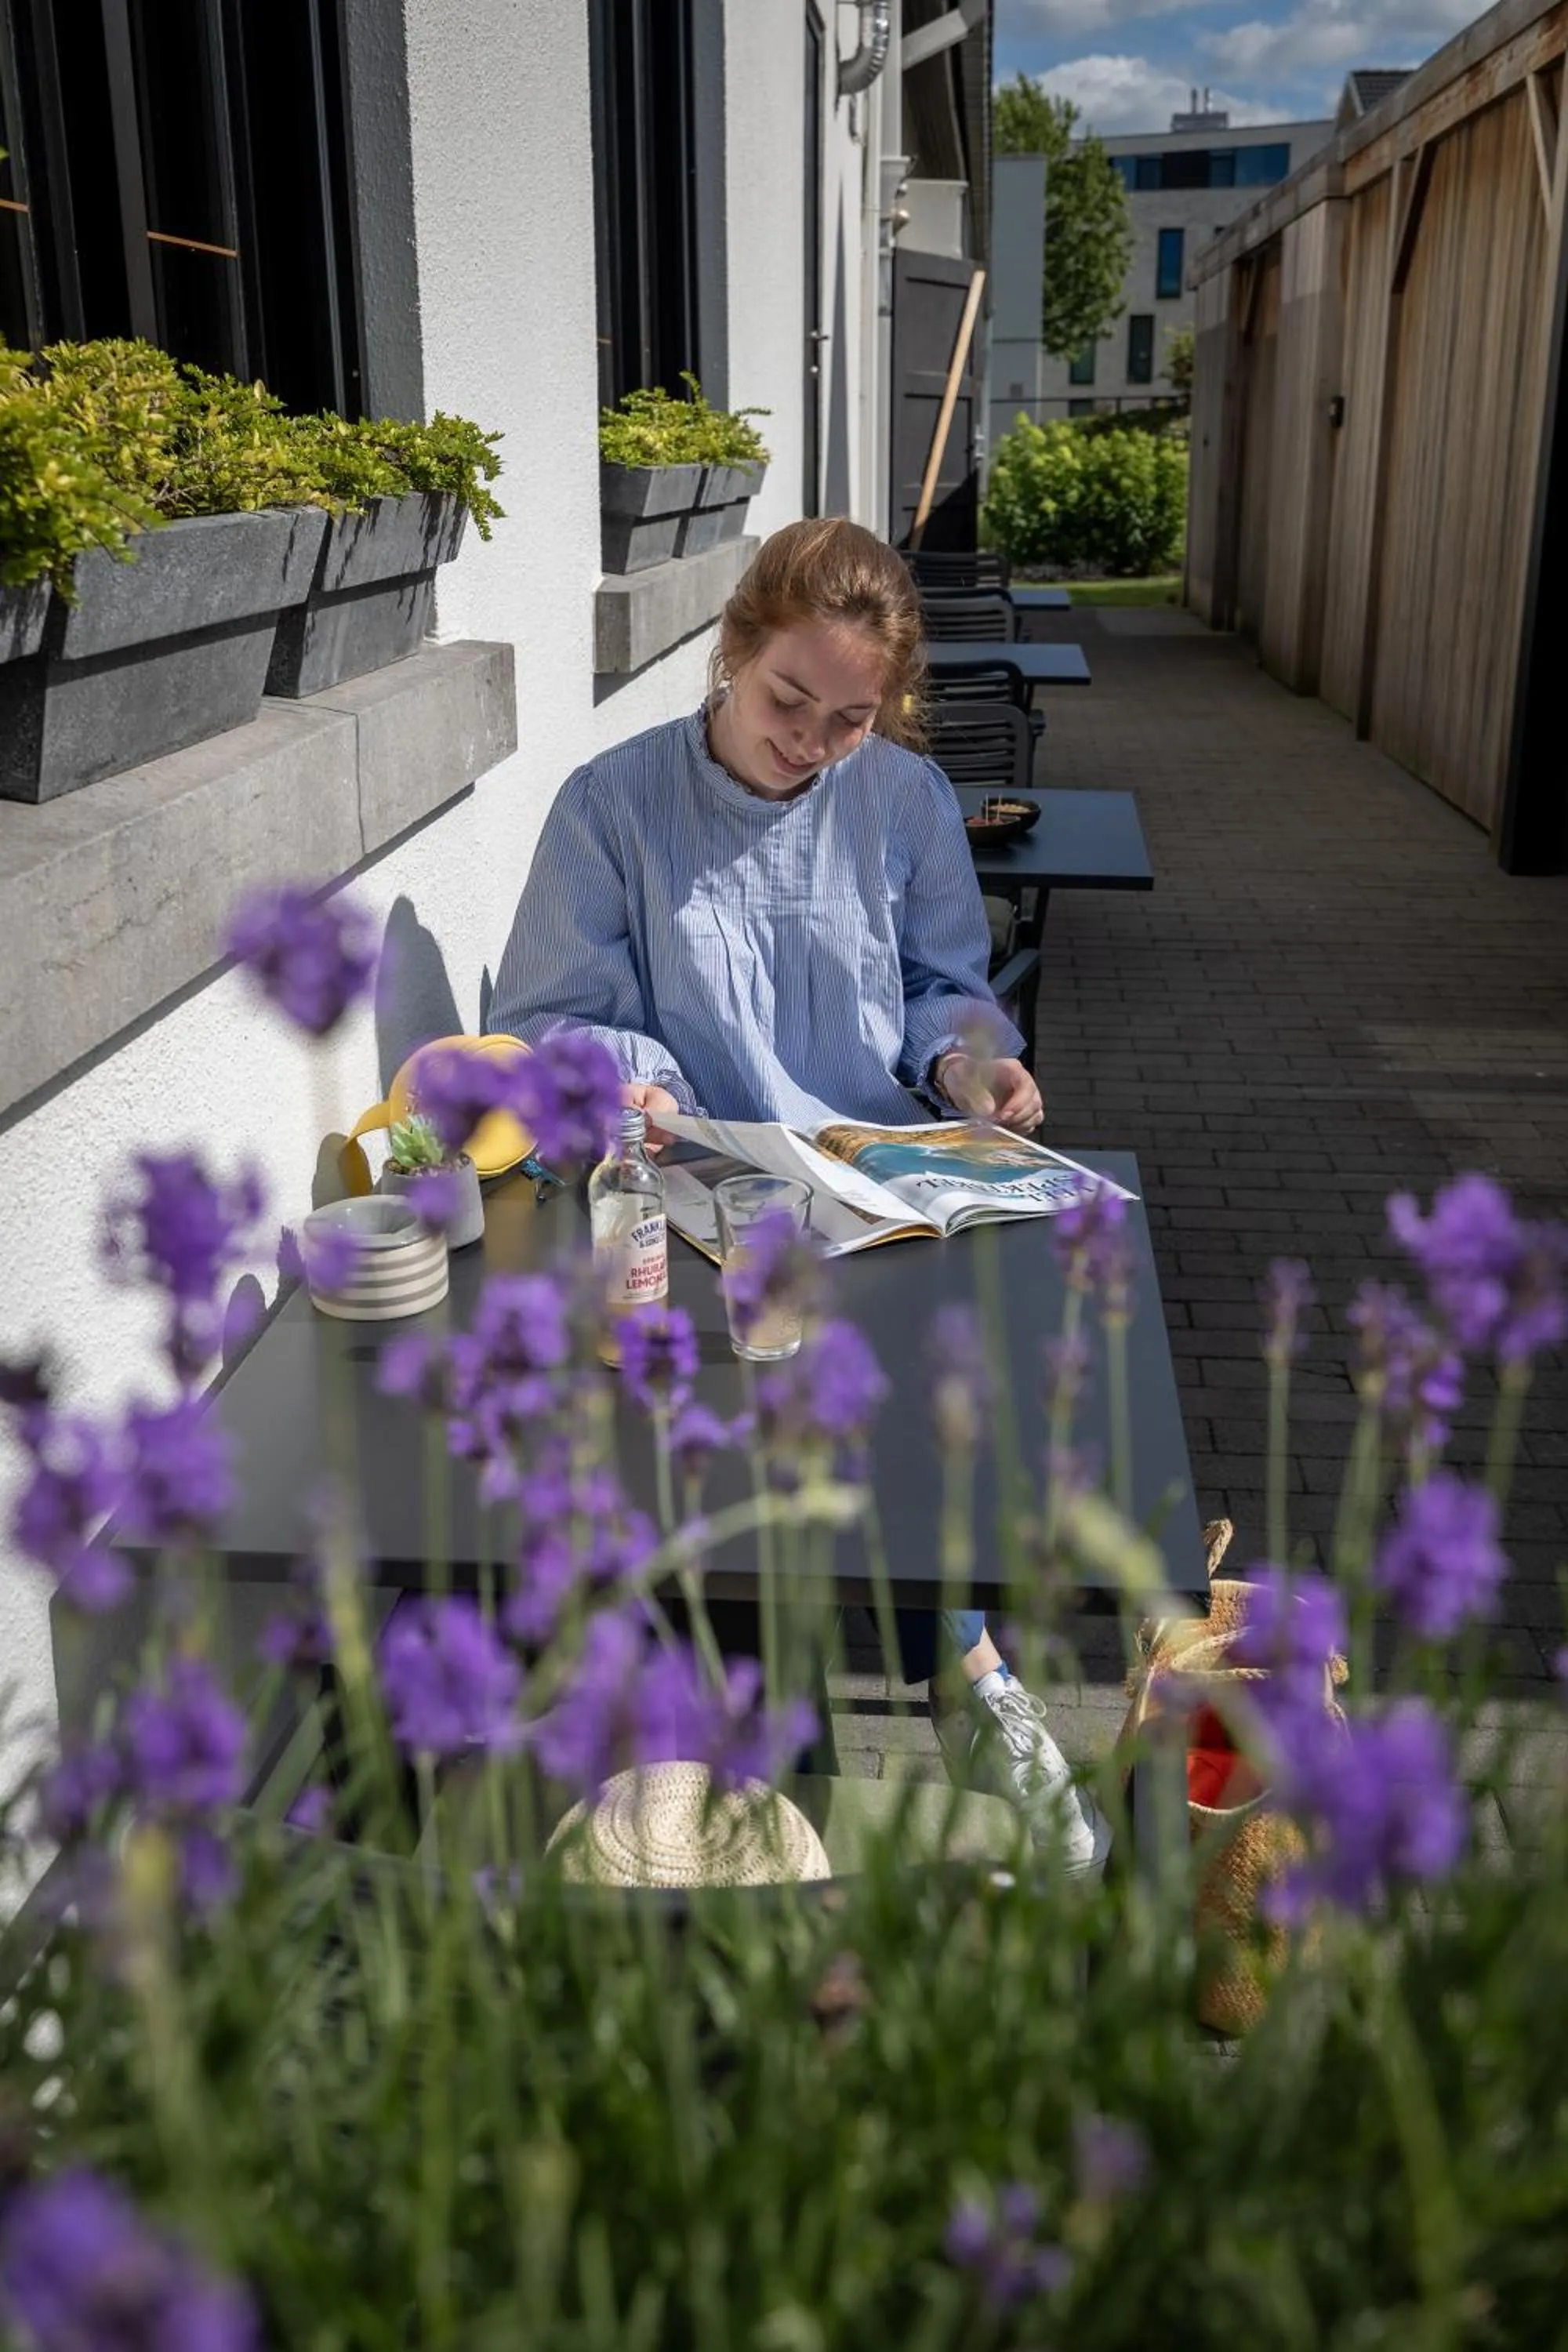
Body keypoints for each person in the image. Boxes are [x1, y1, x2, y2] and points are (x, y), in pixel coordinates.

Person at [488, 519, 1105, 1867]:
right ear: (732, 649)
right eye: (788, 700)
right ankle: (762, 1738)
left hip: (876, 1191)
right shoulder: (611, 803)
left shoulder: (902, 798)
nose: (814, 741)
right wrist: (637, 1081)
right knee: (749, 1472)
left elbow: (944, 983)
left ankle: (963, 1664)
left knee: (937, 1418)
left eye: (849, 717)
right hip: (688, 1213)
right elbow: (550, 1019)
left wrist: (972, 1060)